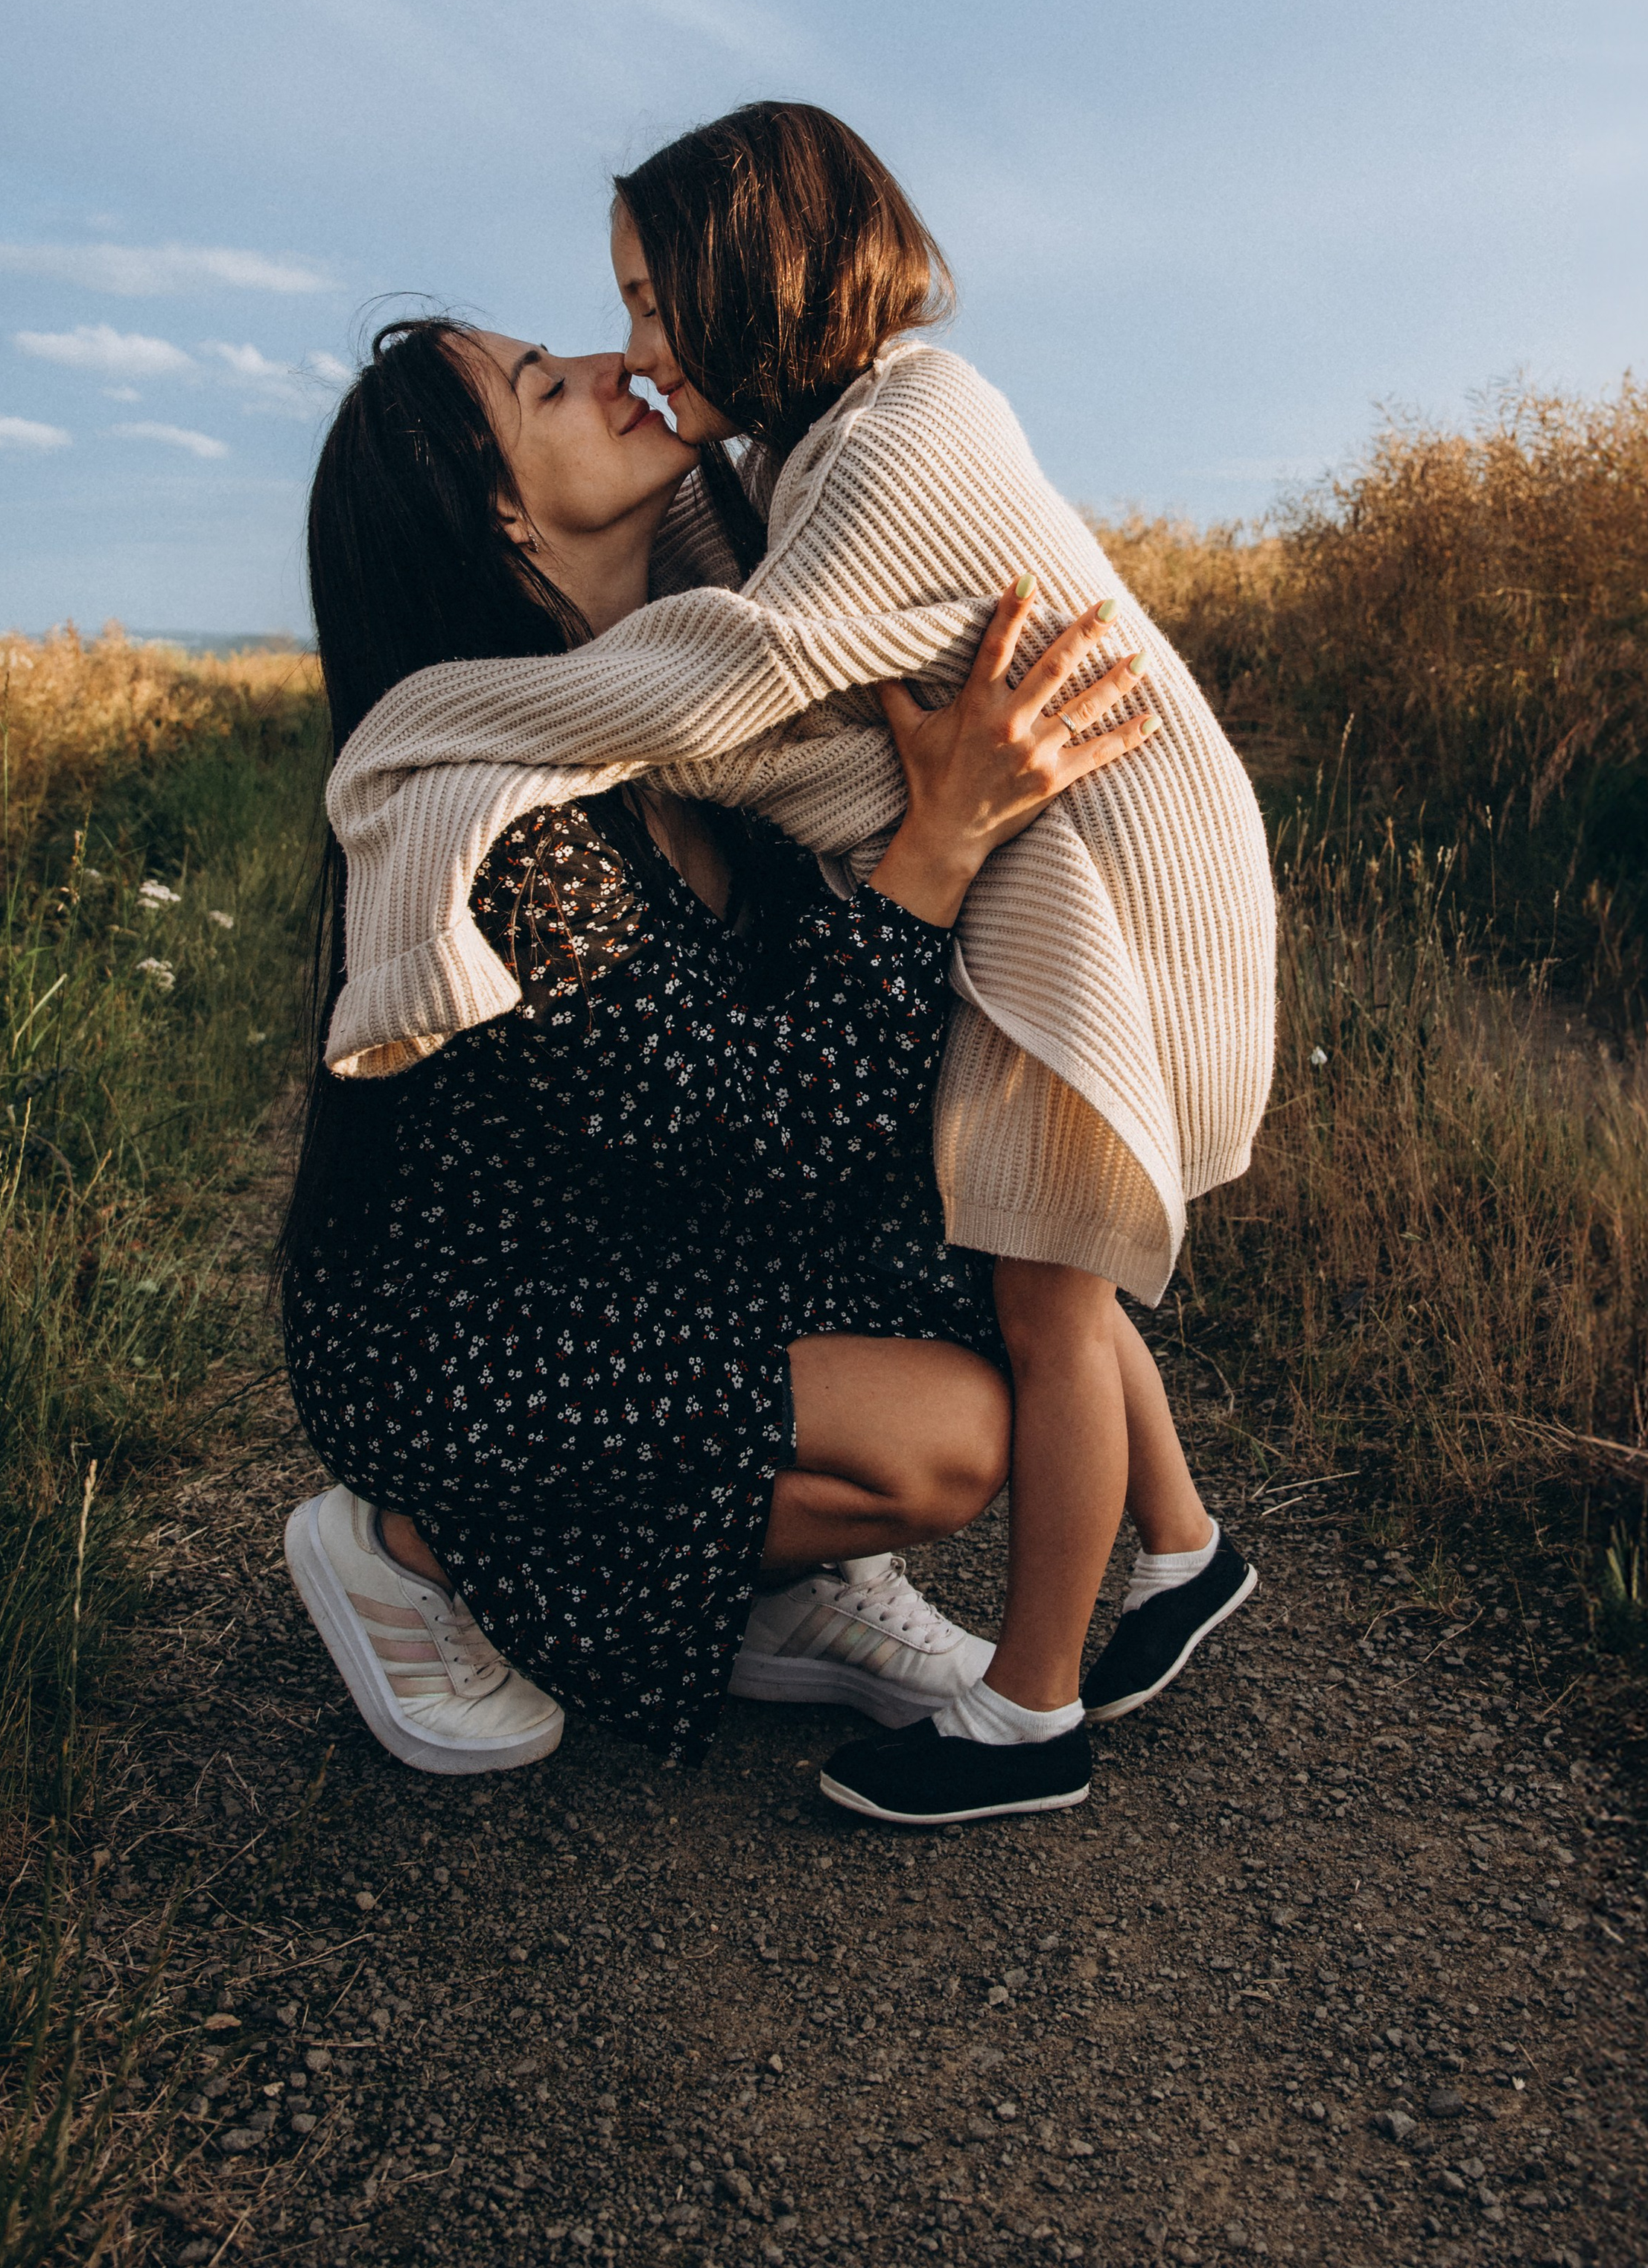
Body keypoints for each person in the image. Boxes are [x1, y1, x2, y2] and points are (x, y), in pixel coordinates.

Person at [322, 107, 1272, 1825]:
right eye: (551, 381)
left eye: (624, 313)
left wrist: (953, 827)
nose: (619, 361)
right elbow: (753, 1114)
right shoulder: (500, 804)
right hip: (498, 1328)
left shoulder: (767, 550)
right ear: (504, 533)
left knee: (1006, 1295)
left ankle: (1092, 1568)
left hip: (689, 1239)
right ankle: (407, 1539)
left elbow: (749, 659)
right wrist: (931, 847)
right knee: (961, 1416)